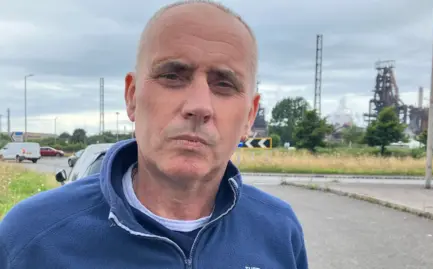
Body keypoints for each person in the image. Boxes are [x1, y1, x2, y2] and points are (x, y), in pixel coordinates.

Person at [0, 1, 308, 268]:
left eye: (224, 84)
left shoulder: (279, 231)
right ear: (132, 97)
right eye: (173, 76)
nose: (199, 106)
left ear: (250, 116)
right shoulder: (31, 237)